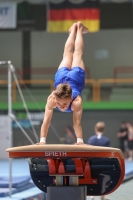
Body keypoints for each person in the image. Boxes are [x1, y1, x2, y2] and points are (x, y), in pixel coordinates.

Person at [37, 22, 88, 145]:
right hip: (64, 78)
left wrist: (80, 141)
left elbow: (77, 123)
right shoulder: (52, 100)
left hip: (75, 77)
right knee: (68, 54)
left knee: (76, 54)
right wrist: (42, 141)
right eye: (59, 104)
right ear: (55, 97)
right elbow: (46, 121)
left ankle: (79, 29)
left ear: (71, 98)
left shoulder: (76, 102)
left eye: (64, 104)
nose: (61, 107)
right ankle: (73, 31)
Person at [87, 122, 110, 200]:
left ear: (95, 129)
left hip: (93, 163)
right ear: (104, 129)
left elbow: (88, 152)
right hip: (103, 163)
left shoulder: (91, 139)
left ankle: (92, 195)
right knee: (103, 179)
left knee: (92, 177)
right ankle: (102, 196)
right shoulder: (106, 140)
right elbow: (107, 154)